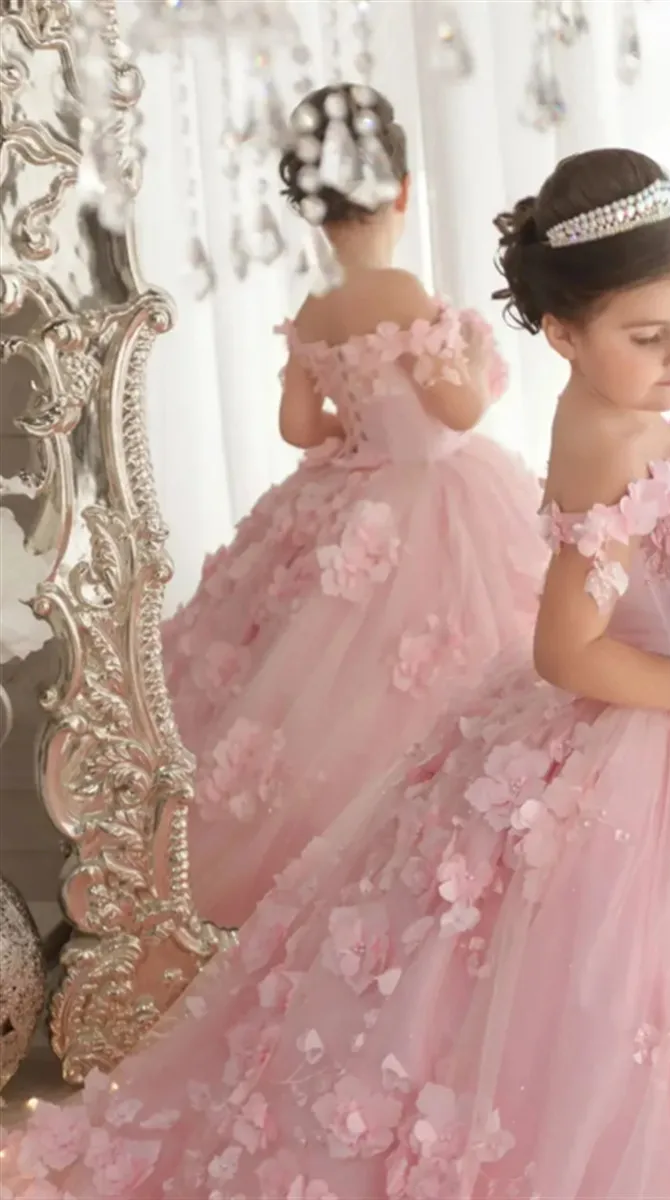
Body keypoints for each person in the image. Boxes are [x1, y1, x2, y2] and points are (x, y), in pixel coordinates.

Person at [2, 149, 670, 1199]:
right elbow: (565, 650)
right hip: (658, 717)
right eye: (647, 335)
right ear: (562, 334)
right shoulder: (606, 441)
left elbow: (666, 565)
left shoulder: (634, 414)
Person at [160, 83, 548, 927]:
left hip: (344, 497)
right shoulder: (407, 294)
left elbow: (299, 425)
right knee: (444, 673)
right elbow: (459, 410)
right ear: (405, 193)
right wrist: (475, 351)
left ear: (309, 209)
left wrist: (354, 424)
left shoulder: (316, 307)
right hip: (438, 498)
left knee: (318, 683)